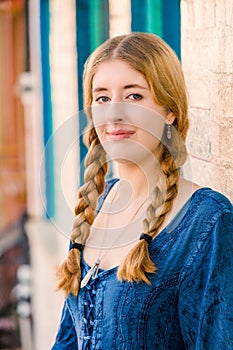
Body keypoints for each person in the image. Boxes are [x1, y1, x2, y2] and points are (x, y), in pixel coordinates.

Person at [52, 32, 233, 349]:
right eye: (102, 98)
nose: (114, 114)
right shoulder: (93, 208)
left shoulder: (207, 220)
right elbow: (69, 338)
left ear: (168, 110)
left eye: (134, 96)